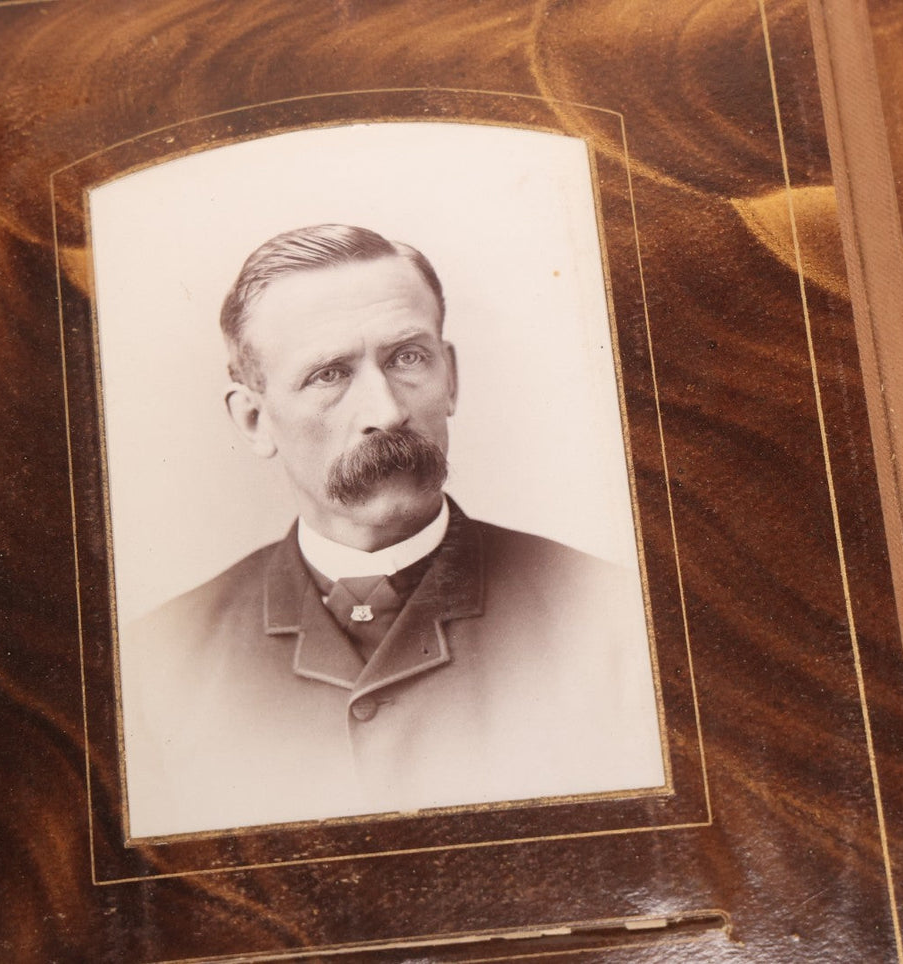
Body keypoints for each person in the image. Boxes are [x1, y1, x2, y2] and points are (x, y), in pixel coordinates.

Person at [120, 224, 663, 838]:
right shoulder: (153, 667)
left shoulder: (616, 619)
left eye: (408, 359)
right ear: (253, 420)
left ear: (450, 377)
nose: (386, 412)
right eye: (329, 375)